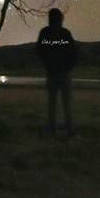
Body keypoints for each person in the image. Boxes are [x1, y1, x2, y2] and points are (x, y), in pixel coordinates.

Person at [36, 7, 78, 136]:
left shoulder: (50, 33)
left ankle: (56, 129)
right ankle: (65, 130)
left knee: (55, 104)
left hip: (58, 73)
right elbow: (74, 52)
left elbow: (39, 50)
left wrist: (49, 64)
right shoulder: (63, 33)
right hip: (58, 73)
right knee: (63, 104)